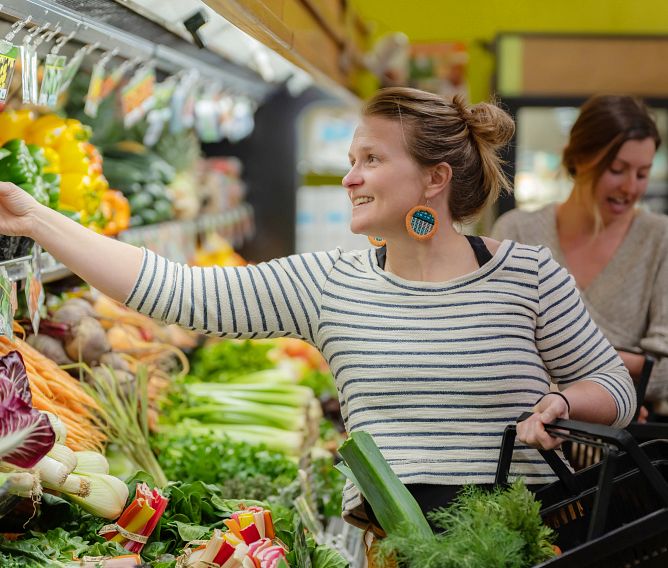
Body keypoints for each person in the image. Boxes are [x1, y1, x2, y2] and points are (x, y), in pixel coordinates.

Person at [0, 87, 635, 531]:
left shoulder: (527, 275)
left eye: (371, 160)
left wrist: (565, 402)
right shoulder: (331, 282)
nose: (349, 178)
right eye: (350, 160)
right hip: (394, 548)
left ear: (434, 179)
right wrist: (35, 219)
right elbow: (179, 292)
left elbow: (614, 388)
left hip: (527, 540)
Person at [492, 94, 668, 419]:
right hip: (529, 437)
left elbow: (665, 372)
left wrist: (570, 378)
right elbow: (498, 348)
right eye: (617, 169)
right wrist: (621, 381)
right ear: (578, 158)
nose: (631, 187)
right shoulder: (516, 231)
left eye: (642, 174)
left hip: (624, 454)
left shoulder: (660, 238)